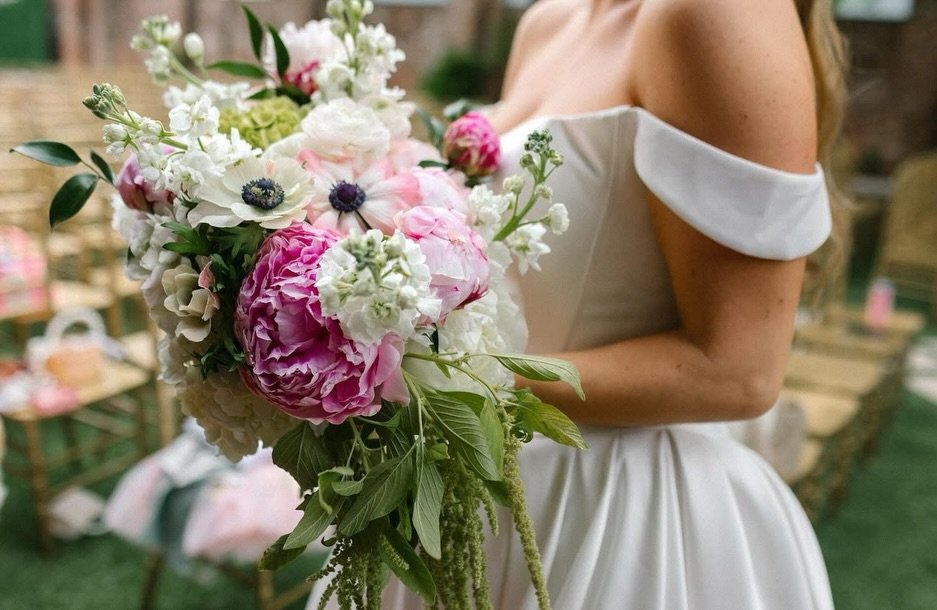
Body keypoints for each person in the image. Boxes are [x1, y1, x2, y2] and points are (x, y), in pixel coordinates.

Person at [310, 0, 846, 607]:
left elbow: (739, 372)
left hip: (619, 510)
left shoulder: (717, 14)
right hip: (480, 477)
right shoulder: (548, 21)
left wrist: (426, 376)